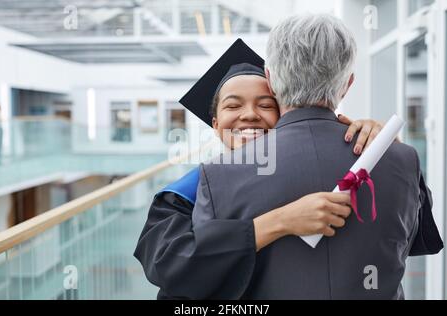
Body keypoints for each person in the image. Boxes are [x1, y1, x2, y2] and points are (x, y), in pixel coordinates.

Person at [187, 14, 443, 299]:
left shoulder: (219, 175)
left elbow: (205, 275)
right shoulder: (401, 159)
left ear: (270, 80)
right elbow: (410, 238)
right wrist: (391, 149)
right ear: (348, 83)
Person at [134, 39, 388, 299]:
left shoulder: (312, 171)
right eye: (233, 106)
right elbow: (168, 265)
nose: (250, 115)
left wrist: (381, 143)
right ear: (215, 123)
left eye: (266, 105)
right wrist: (279, 222)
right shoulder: (185, 192)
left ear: (285, 116)